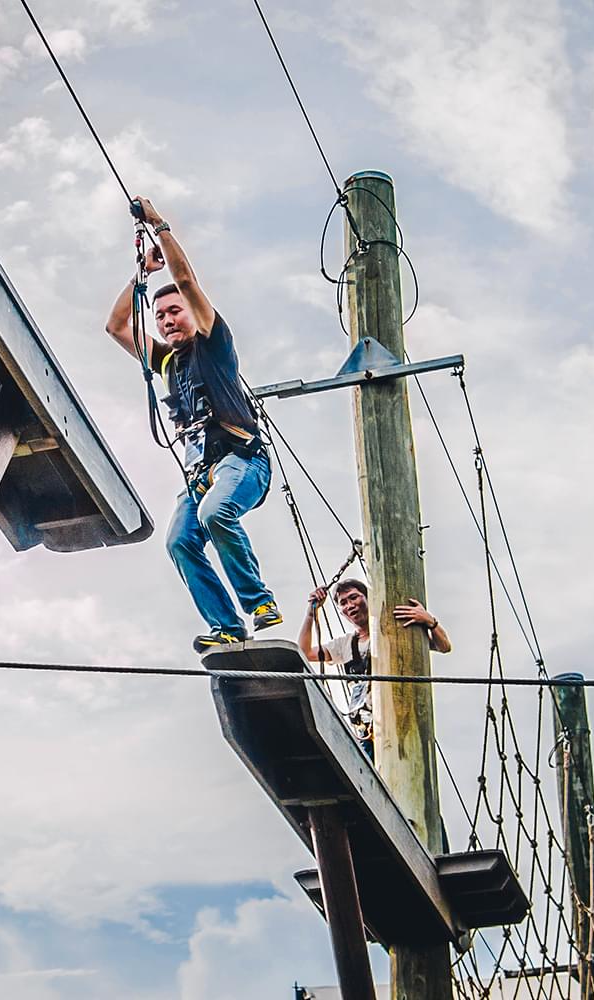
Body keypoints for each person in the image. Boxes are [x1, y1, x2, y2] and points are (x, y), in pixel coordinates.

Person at [104, 196, 281, 652]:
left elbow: (185, 280)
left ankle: (259, 601)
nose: (167, 321)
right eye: (160, 316)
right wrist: (141, 275)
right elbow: (116, 326)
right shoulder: (165, 362)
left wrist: (159, 226)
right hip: (200, 475)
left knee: (214, 514)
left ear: (193, 312)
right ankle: (227, 625)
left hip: (242, 461)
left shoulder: (213, 343)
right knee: (180, 541)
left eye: (174, 311)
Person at [297, 578, 452, 758]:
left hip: (400, 721)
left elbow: (444, 646)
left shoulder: (397, 630)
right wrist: (311, 614)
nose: (350, 605)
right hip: (367, 730)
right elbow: (305, 652)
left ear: (368, 598)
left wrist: (430, 621)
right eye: (343, 603)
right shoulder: (345, 645)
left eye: (354, 597)